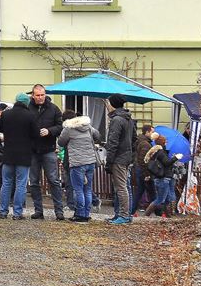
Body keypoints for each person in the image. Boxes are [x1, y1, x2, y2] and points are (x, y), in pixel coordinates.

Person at [26, 84, 66, 221]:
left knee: (54, 181)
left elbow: (61, 126)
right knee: (34, 182)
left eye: (42, 95)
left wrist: (50, 131)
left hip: (48, 149)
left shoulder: (54, 108)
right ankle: (38, 210)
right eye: (37, 95)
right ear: (33, 95)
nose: (40, 97)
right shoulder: (27, 108)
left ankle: (59, 211)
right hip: (32, 150)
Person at [57, 110, 102, 223]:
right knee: (87, 189)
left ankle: (80, 215)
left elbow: (61, 142)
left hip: (77, 163)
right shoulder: (87, 126)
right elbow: (98, 136)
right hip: (90, 161)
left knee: (78, 189)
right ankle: (87, 213)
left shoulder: (68, 129)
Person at [0, 93, 36, 219]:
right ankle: (17, 213)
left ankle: (3, 211)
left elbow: (1, 129)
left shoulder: (6, 114)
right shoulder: (30, 115)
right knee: (21, 184)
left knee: (6, 183)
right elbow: (35, 133)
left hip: (8, 153)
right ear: (26, 103)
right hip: (24, 155)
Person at [104, 94, 135, 225]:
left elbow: (113, 142)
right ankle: (123, 214)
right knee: (124, 186)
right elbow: (134, 138)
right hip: (126, 156)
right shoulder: (128, 119)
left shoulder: (117, 120)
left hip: (118, 157)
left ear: (112, 104)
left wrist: (109, 160)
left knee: (121, 187)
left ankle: (124, 215)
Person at [144, 135, 183, 218]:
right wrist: (175, 158)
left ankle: (169, 215)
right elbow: (166, 163)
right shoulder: (161, 152)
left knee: (168, 198)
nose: (167, 143)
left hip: (164, 177)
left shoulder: (159, 151)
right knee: (160, 199)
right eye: (166, 141)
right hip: (162, 178)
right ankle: (146, 214)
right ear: (163, 142)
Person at [130, 124, 156, 217]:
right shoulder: (145, 144)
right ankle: (158, 212)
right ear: (147, 132)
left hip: (139, 169)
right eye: (152, 132)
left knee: (140, 192)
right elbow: (143, 160)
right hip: (143, 170)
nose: (153, 134)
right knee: (151, 192)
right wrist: (146, 174)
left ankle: (132, 211)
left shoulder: (141, 141)